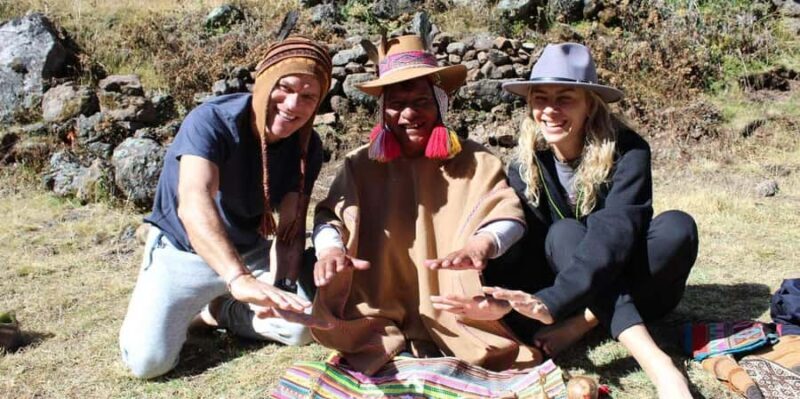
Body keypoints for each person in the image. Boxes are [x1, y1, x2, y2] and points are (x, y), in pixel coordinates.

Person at [430, 43, 699, 398]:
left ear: (590, 104)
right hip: (565, 286)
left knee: (677, 227)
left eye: (565, 98)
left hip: (623, 286)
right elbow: (525, 240)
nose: (550, 110)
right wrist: (490, 273)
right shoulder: (528, 163)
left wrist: (559, 306)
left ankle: (598, 330)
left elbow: (615, 233)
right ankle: (643, 353)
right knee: (565, 234)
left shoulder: (629, 151)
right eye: (540, 98)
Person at [309, 34, 542, 375]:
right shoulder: (359, 165)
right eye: (396, 104)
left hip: (453, 305)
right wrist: (329, 252)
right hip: (377, 305)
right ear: (382, 111)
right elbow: (331, 217)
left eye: (421, 101)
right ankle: (389, 340)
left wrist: (483, 244)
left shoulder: (476, 160)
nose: (408, 114)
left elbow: (505, 212)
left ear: (440, 104)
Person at [118, 37, 333, 379]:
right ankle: (209, 297)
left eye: (308, 96)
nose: (293, 105)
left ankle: (219, 311)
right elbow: (194, 203)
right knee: (148, 363)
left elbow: (291, 228)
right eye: (285, 88)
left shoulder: (307, 147)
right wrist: (239, 278)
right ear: (264, 82)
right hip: (183, 250)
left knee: (298, 328)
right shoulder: (212, 121)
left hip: (248, 251)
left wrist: (283, 289)